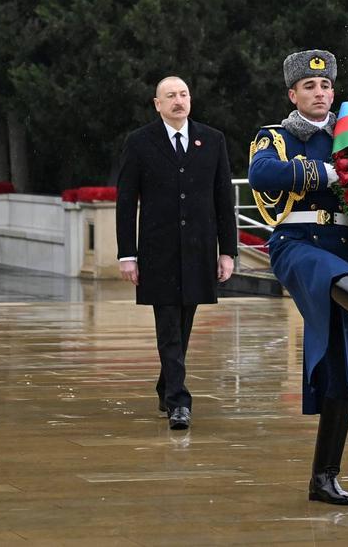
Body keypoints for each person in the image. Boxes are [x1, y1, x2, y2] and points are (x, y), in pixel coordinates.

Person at [247, 49, 348, 506]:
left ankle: (324, 476)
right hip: (298, 244)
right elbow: (262, 173)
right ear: (292, 93)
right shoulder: (275, 136)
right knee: (325, 272)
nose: (320, 93)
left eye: (326, 86)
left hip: (345, 249)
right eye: (310, 87)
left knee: (343, 368)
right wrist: (326, 172)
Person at [116, 76, 237, 431]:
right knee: (168, 324)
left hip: (200, 249)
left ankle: (165, 383)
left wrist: (227, 251)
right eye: (170, 96)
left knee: (184, 324)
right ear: (157, 104)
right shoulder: (139, 142)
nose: (178, 101)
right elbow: (126, 202)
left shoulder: (212, 140)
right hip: (158, 250)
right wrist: (127, 254)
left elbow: (223, 199)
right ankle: (178, 402)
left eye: (183, 94)